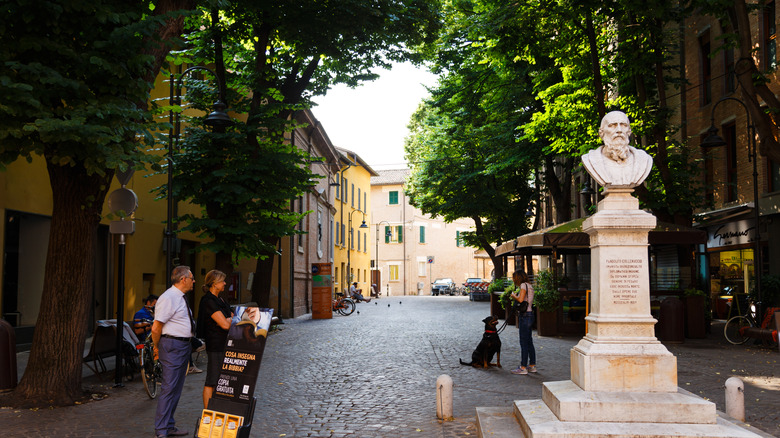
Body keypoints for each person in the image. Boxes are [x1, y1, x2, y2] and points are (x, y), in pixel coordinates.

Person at [151, 266, 196, 438]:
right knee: (169, 388)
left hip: (182, 346)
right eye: (192, 278)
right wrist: (156, 347)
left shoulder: (179, 298)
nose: (194, 281)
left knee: (176, 388)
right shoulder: (169, 297)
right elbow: (156, 327)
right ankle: (161, 429)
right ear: (183, 279)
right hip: (172, 345)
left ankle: (168, 425)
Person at [581, 111, 653, 188]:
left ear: (629, 131)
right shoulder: (591, 159)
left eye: (623, 125)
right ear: (601, 133)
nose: (619, 130)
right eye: (612, 125)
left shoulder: (643, 159)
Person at [196, 269, 233, 409]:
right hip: (216, 344)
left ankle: (217, 409)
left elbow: (231, 318)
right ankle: (207, 414)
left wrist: (228, 319)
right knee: (212, 379)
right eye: (222, 281)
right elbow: (225, 324)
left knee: (221, 379)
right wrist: (229, 320)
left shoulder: (220, 300)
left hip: (225, 343)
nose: (225, 283)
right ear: (214, 283)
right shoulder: (208, 301)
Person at [510, 269, 537, 375]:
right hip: (530, 314)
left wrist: (514, 296)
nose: (514, 280)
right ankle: (532, 365)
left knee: (523, 342)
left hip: (525, 316)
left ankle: (523, 367)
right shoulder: (529, 285)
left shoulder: (522, 286)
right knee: (529, 341)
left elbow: (521, 300)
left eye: (514, 278)